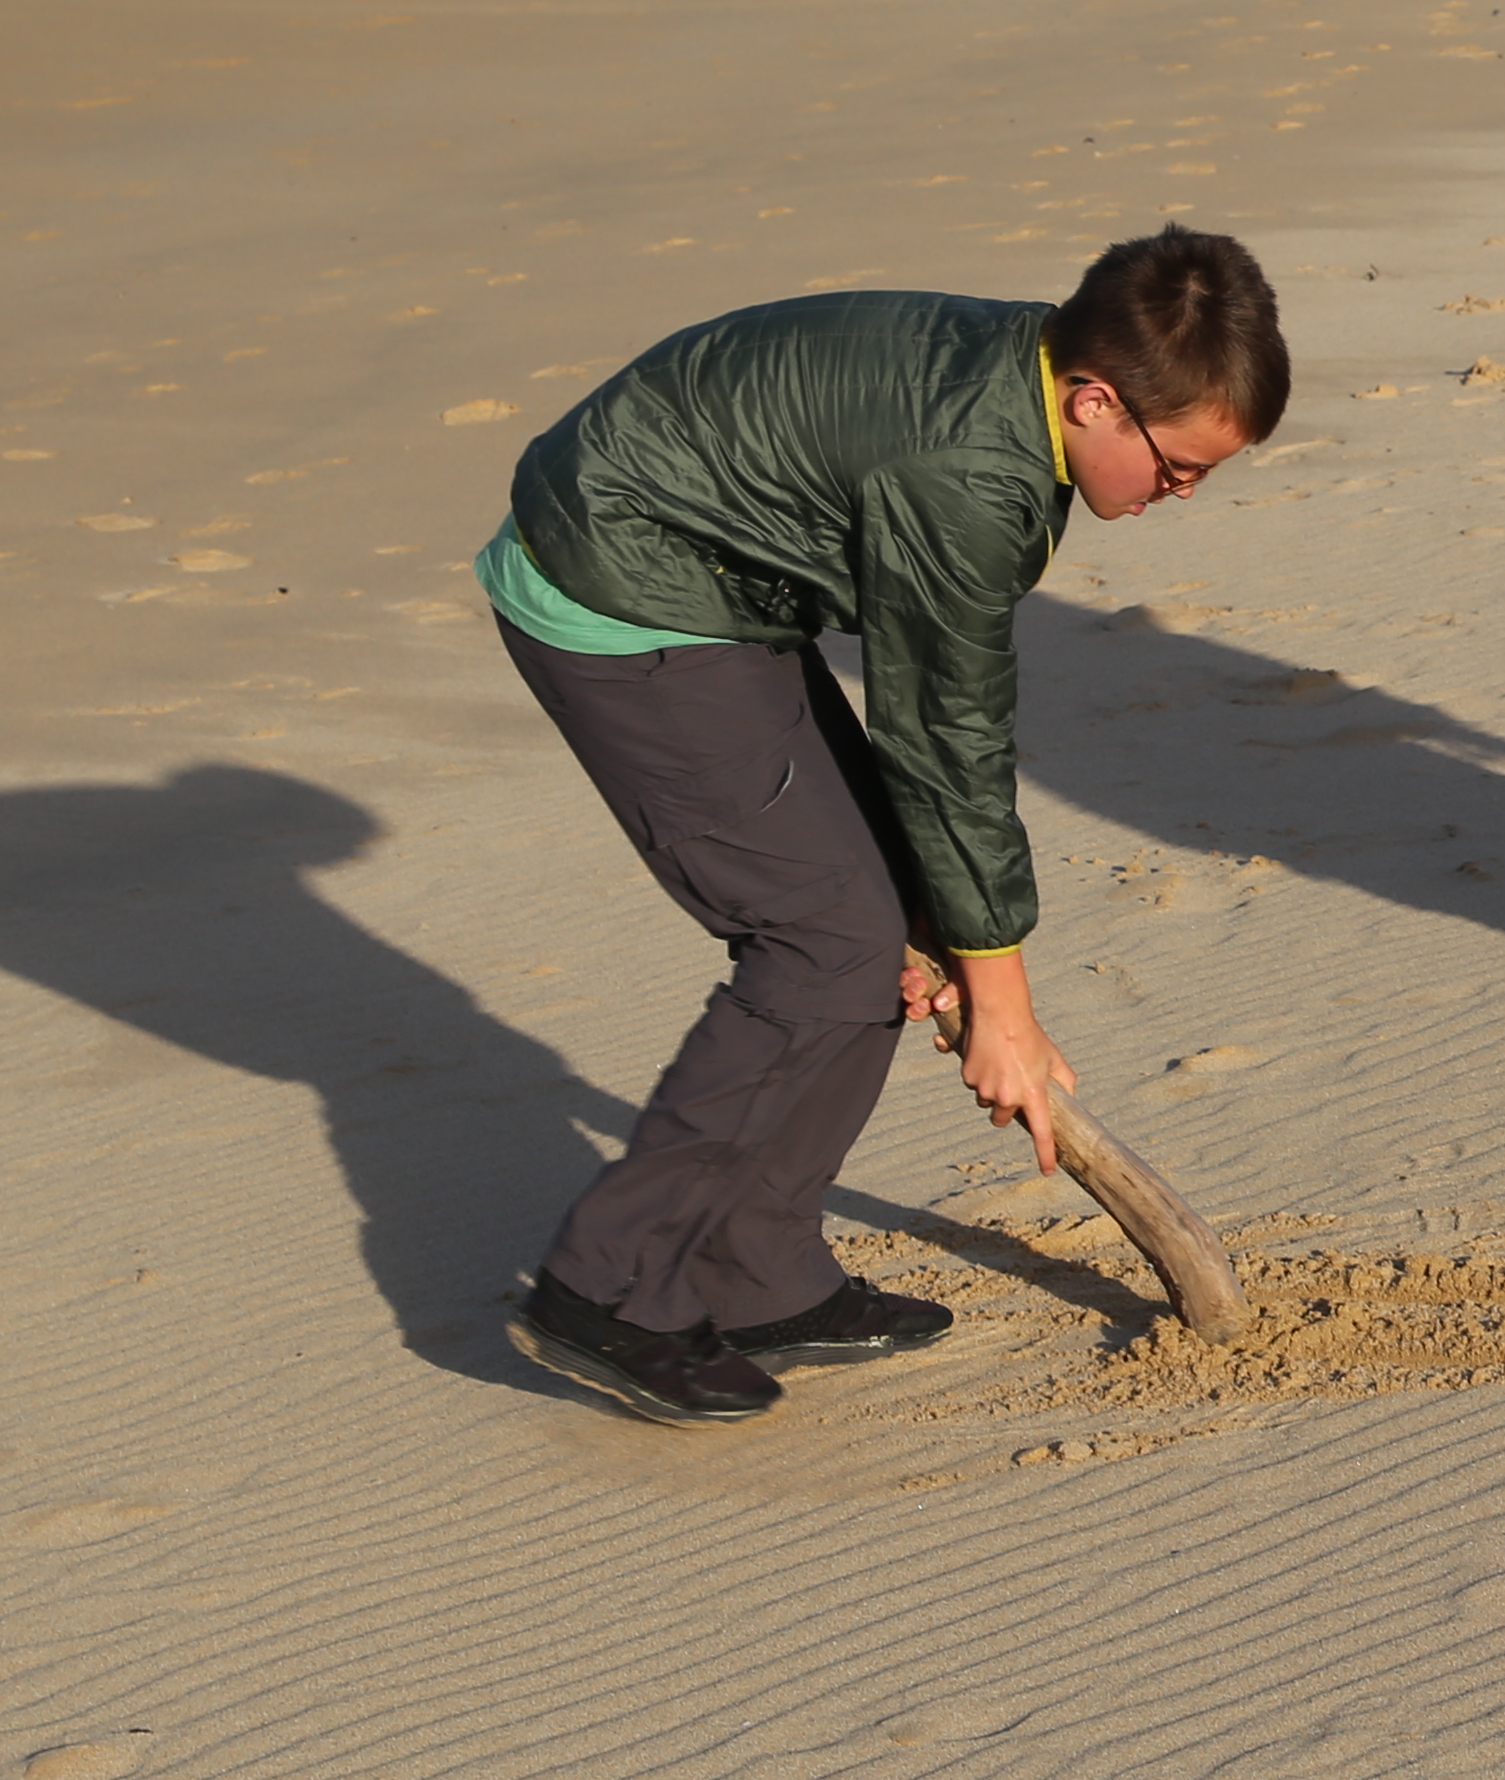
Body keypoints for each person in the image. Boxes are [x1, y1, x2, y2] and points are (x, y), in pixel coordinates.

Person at [475, 227, 1288, 1424]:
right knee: (823, 945)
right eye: (1177, 469)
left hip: (707, 570)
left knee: (875, 927)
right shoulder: (971, 473)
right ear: (1098, 399)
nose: (1181, 494)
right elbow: (945, 733)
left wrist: (956, 937)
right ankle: (611, 1286)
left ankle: (757, 1272)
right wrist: (1002, 1009)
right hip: (618, 587)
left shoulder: (1028, 376)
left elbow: (931, 750)